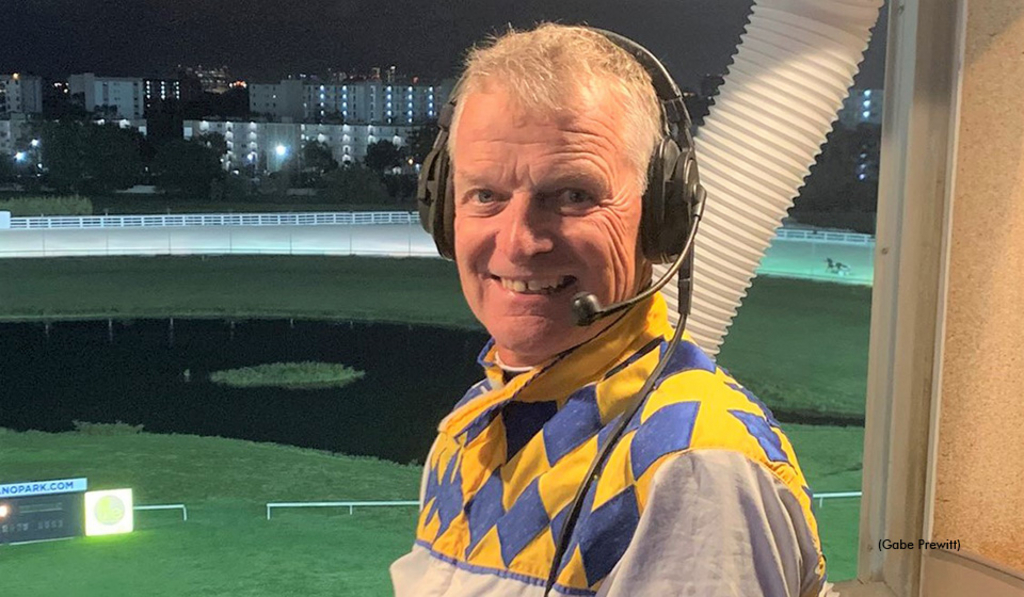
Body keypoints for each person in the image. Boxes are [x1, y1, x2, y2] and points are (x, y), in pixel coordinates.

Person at [391, 23, 831, 597]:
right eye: (486, 195)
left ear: (659, 219)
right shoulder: (476, 422)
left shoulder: (693, 466)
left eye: (572, 195)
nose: (520, 241)